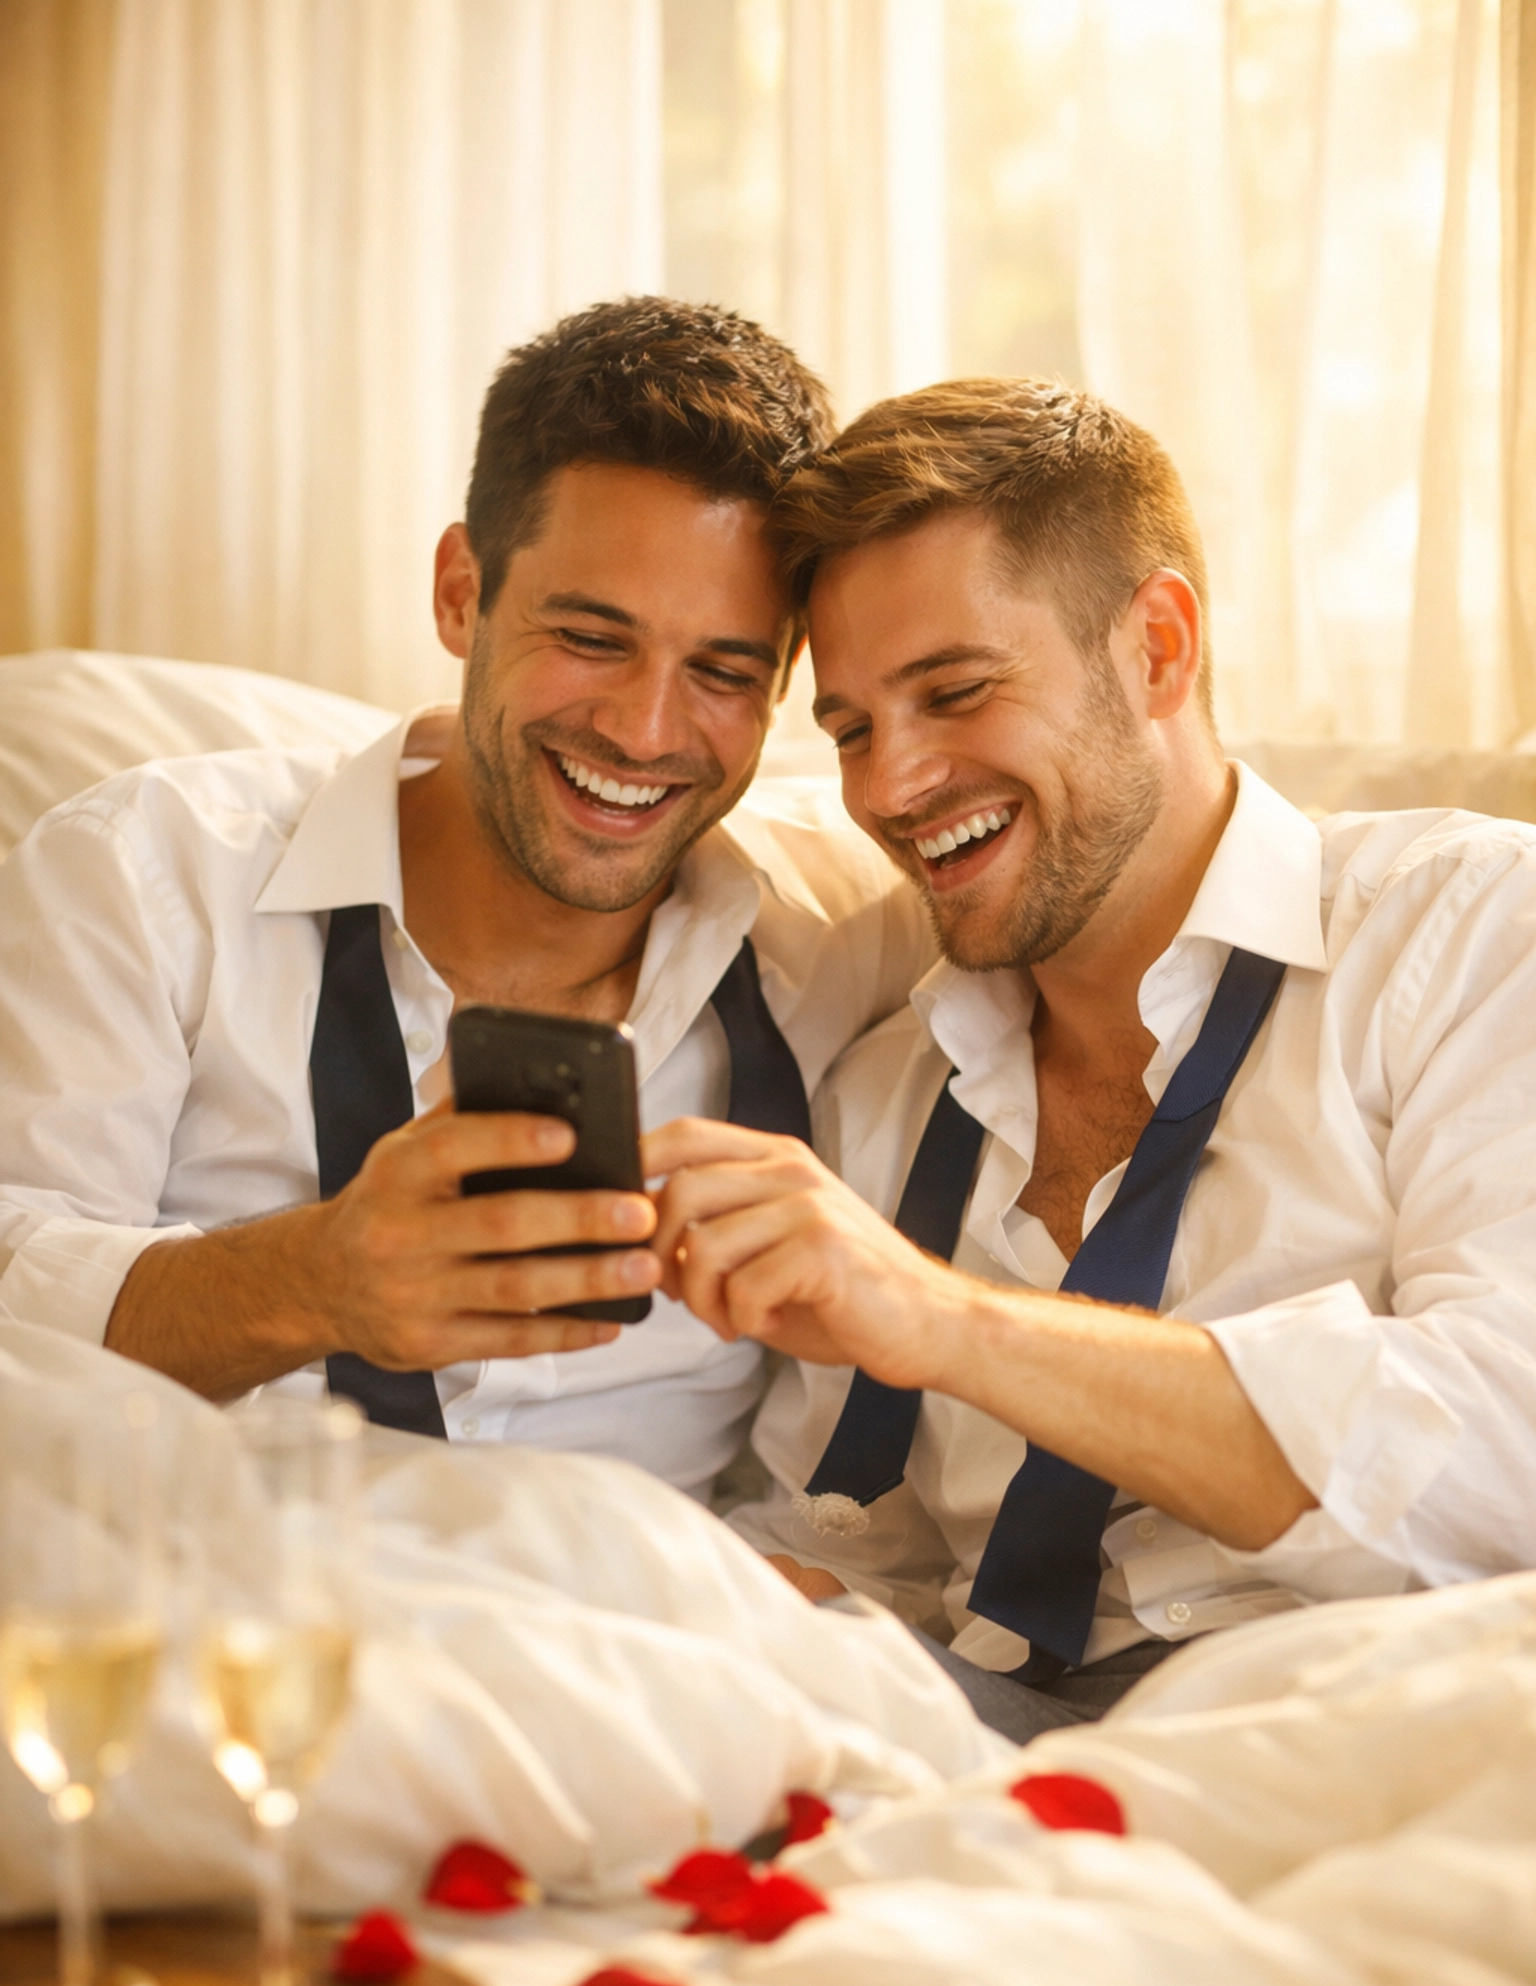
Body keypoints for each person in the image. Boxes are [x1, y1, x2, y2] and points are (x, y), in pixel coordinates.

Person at [641, 377, 1536, 1737]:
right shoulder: (887, 1084)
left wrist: (950, 1326)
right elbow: (869, 1548)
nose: (888, 789)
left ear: (1159, 649)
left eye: (954, 693)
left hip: (1377, 1724)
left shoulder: (1470, 937)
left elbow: (1499, 1460)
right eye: (855, 730)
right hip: (970, 1748)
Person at [0, 299, 931, 1501]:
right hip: (248, 1629)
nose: (646, 733)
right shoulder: (140, 875)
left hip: (661, 1646)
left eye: (721, 671)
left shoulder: (845, 929)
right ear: (460, 591)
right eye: (592, 638)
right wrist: (313, 1281)